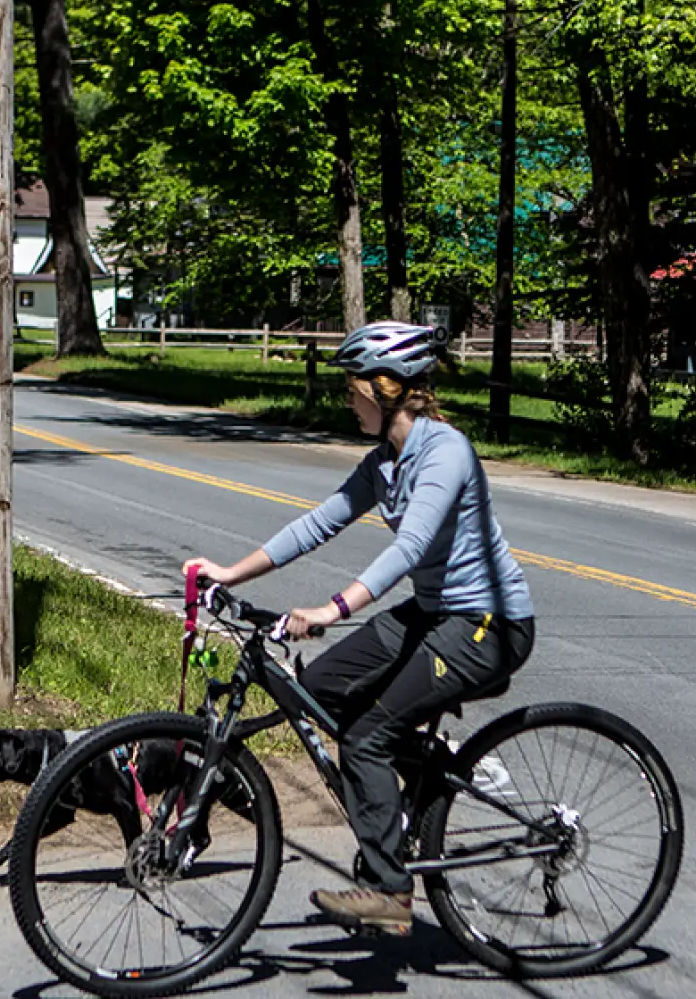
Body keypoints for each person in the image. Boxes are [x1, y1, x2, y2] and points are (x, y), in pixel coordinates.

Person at [183, 321, 536, 937]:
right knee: (320, 689)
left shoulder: (445, 451)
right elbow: (319, 523)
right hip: (435, 614)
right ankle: (428, 776)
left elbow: (411, 546)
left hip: (489, 623)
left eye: (355, 388)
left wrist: (332, 608)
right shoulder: (385, 462)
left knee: (366, 737)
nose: (349, 400)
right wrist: (231, 574)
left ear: (387, 386)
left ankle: (389, 891)